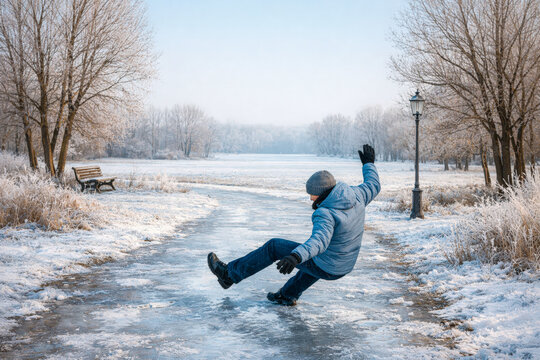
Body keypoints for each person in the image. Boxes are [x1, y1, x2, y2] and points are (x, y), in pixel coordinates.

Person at [207, 144, 380, 306]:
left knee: (274, 247)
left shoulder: (325, 213)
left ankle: (228, 274)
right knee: (314, 260)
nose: (310, 198)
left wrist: (295, 256)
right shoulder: (357, 195)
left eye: (312, 194)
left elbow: (319, 241)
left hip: (330, 265)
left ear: (321, 194)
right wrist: (368, 164)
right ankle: (287, 295)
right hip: (344, 263)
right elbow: (374, 185)